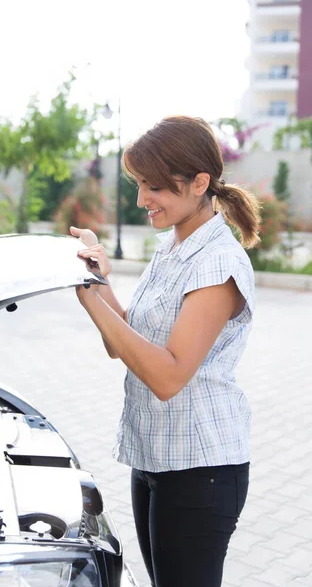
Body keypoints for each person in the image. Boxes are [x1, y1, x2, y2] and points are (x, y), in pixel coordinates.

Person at [70, 115, 261, 587]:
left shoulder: (218, 262)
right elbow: (129, 342)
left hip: (201, 472)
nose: (141, 200)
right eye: (138, 185)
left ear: (200, 183)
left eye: (154, 187)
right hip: (155, 457)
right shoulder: (175, 244)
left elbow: (168, 376)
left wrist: (89, 298)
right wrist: (97, 277)